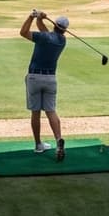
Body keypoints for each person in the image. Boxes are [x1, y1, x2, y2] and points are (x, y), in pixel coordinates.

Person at [20, 9, 66, 161]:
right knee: (51, 111)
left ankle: (38, 144)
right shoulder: (61, 41)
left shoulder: (44, 37)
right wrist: (41, 19)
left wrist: (32, 16)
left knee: (35, 112)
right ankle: (59, 139)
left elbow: (23, 32)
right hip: (50, 79)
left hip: (34, 77)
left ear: (55, 26)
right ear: (64, 29)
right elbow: (45, 32)